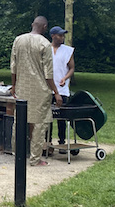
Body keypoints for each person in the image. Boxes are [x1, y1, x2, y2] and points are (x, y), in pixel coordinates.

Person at [10, 16, 62, 166]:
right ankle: (35, 158)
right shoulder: (45, 44)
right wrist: (56, 92)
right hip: (40, 90)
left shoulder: (18, 40)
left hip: (22, 87)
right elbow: (48, 73)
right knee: (39, 124)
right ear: (45, 27)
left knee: (19, 120)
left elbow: (13, 66)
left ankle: (17, 154)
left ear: (33, 24)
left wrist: (14, 85)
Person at [49, 26, 75, 152]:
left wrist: (65, 77)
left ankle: (62, 142)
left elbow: (71, 68)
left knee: (61, 117)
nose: (62, 38)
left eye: (63, 35)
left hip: (62, 88)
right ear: (53, 36)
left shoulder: (67, 51)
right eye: (60, 35)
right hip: (47, 88)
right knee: (47, 117)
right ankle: (47, 142)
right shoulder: (46, 49)